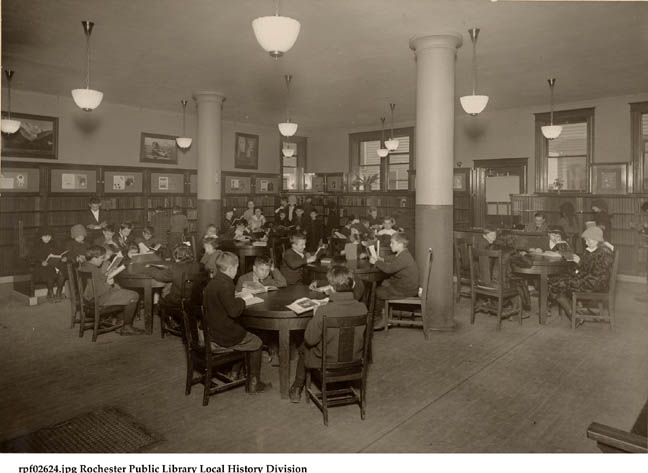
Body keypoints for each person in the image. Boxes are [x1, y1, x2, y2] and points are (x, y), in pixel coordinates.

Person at [288, 266, 368, 403]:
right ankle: (341, 382)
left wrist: (315, 316)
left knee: (303, 346)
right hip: (354, 360)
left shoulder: (323, 311)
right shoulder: (362, 308)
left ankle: (297, 386)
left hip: (326, 361)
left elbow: (310, 340)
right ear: (352, 284)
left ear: (331, 287)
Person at [203, 250, 272, 394]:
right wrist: (242, 299)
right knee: (256, 341)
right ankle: (254, 384)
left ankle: (234, 372)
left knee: (245, 334)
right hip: (224, 335)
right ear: (230, 268)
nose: (237, 271)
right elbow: (234, 311)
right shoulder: (226, 284)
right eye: (236, 268)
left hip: (212, 331)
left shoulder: (213, 282)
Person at [549, 226, 615, 317]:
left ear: (596, 239)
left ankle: (574, 316)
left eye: (588, 240)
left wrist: (579, 262)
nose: (586, 243)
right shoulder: (595, 251)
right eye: (585, 240)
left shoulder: (603, 253)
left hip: (593, 285)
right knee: (556, 281)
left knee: (556, 285)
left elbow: (595, 273)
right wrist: (577, 266)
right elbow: (588, 269)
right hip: (590, 281)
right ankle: (575, 312)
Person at [80, 245, 143, 335]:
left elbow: (96, 281)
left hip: (88, 298)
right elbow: (99, 291)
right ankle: (126, 327)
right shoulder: (93, 270)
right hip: (98, 299)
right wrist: (108, 284)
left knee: (121, 291)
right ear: (94, 258)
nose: (103, 260)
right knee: (134, 295)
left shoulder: (86, 266)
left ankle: (120, 323)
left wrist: (107, 274)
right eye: (102, 258)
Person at [369, 232, 420, 329]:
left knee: (377, 292)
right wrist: (381, 259)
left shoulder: (403, 257)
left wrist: (376, 262)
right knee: (384, 283)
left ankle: (380, 320)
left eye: (392, 243)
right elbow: (393, 259)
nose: (390, 245)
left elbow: (389, 269)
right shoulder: (403, 254)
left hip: (406, 290)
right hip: (407, 286)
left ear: (400, 244)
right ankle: (385, 316)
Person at [29, 227, 66, 302]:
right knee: (50, 272)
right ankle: (50, 292)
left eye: (49, 236)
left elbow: (60, 253)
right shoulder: (36, 245)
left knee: (62, 271)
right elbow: (31, 258)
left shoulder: (54, 244)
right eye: (45, 236)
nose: (47, 238)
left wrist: (63, 257)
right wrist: (41, 262)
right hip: (41, 267)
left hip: (54, 265)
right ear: (40, 236)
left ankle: (59, 291)